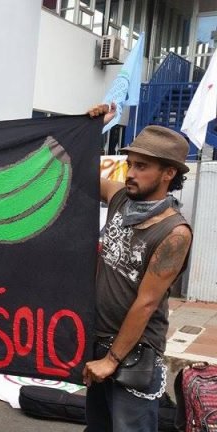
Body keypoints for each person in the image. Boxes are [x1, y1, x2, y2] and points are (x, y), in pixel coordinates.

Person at [83, 104, 193, 431]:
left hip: (133, 355)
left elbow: (146, 303)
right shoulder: (120, 198)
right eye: (130, 164)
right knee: (98, 427)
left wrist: (112, 360)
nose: (130, 173)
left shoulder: (174, 232)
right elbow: (73, 168)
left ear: (168, 173)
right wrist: (91, 129)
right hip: (99, 340)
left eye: (141, 166)